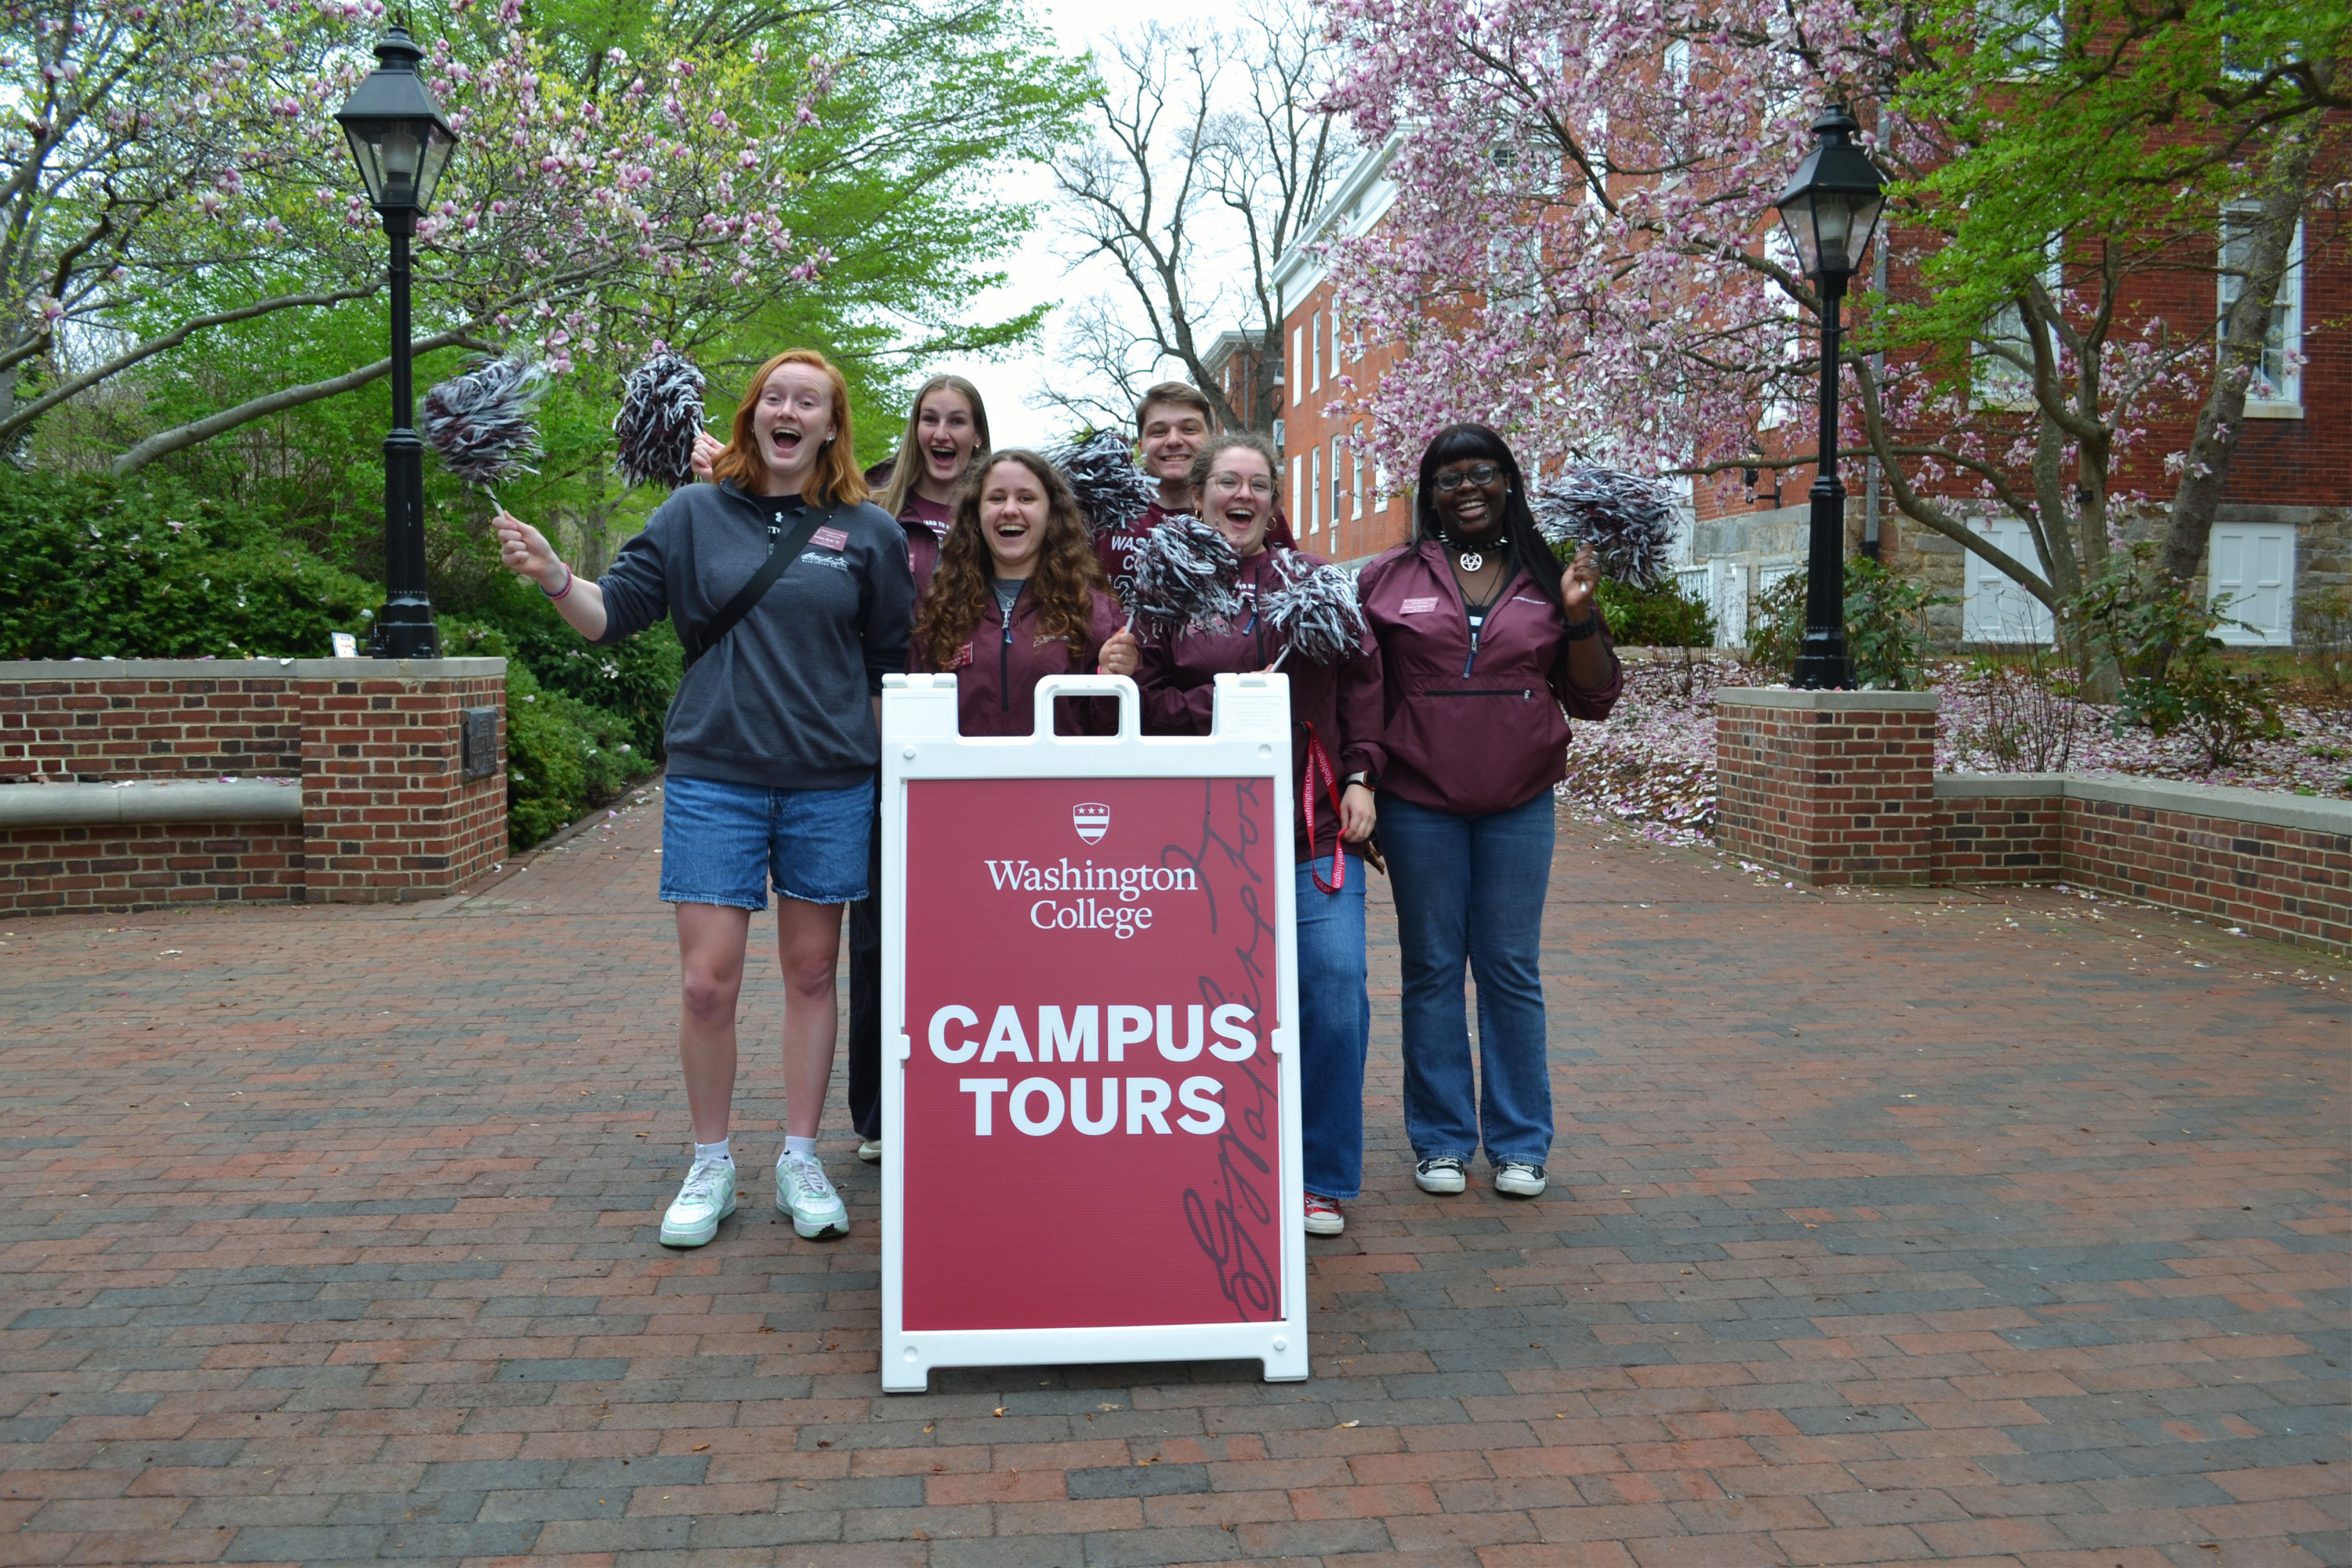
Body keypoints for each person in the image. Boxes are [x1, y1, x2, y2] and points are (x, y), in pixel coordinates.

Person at [495, 348, 913, 1247]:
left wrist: (882, 772)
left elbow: (889, 668)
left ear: (833, 426)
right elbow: (615, 615)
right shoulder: (691, 513)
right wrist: (551, 574)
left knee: (810, 971)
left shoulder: (868, 532)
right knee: (705, 981)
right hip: (714, 777)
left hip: (828, 783)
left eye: (810, 400)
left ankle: (800, 1156)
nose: (789, 410)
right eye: (775, 396)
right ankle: (712, 1160)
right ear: (752, 413)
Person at [1356, 423, 1620, 1202]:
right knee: (1432, 967)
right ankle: (1440, 1139)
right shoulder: (1385, 576)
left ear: (1510, 483)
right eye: (1448, 477)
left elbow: (1596, 695)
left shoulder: (1546, 574)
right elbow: (1366, 695)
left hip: (1517, 804)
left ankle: (1519, 1142)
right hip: (1419, 804)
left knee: (1510, 967)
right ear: (1428, 496)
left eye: (1484, 473)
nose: (1467, 487)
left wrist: (1577, 615)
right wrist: (1362, 778)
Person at [1135, 432, 1383, 1237]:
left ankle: (1321, 1175)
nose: (1242, 495)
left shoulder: (1312, 581)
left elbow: (1363, 678)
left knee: (1336, 988)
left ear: (1274, 502)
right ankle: (1207, 1156)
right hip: (1195, 839)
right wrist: (1224, 708)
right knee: (1199, 1010)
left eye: (1258, 484)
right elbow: (1137, 689)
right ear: (1200, 492)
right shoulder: (1163, 584)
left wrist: (1361, 773)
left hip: (1308, 829)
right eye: (1227, 481)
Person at [847, 377, 991, 1167]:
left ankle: (966, 1088)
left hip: (974, 744)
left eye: (957, 421)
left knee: (973, 927)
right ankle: (877, 1110)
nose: (942, 432)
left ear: (977, 434)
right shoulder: (872, 509)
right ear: (914, 430)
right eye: (930, 419)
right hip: (879, 741)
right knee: (879, 936)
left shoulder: (1000, 508)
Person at [913, 449, 1140, 731]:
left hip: (1060, 775)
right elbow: (918, 721)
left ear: (1051, 514)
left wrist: (1111, 684)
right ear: (976, 514)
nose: (1010, 509)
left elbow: (1115, 734)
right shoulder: (941, 610)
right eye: (996, 498)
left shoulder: (1095, 613)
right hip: (968, 776)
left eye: (1026, 498)